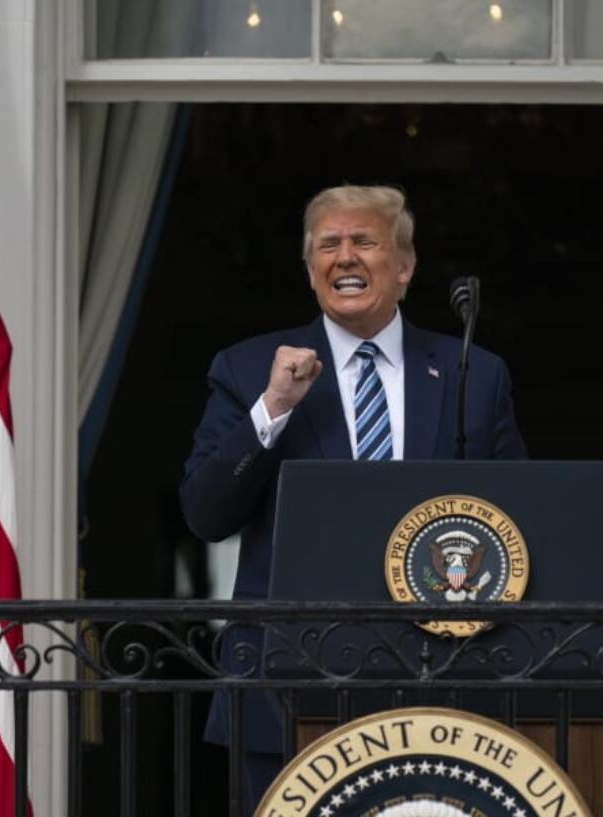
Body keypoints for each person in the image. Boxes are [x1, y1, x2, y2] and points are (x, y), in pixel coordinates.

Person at [179, 184, 527, 814]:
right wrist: (273, 408)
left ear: (404, 266)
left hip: (443, 690)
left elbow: (520, 523)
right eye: (328, 245)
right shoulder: (249, 367)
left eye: (364, 242)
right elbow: (204, 514)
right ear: (309, 268)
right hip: (283, 691)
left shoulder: (473, 373)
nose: (345, 258)